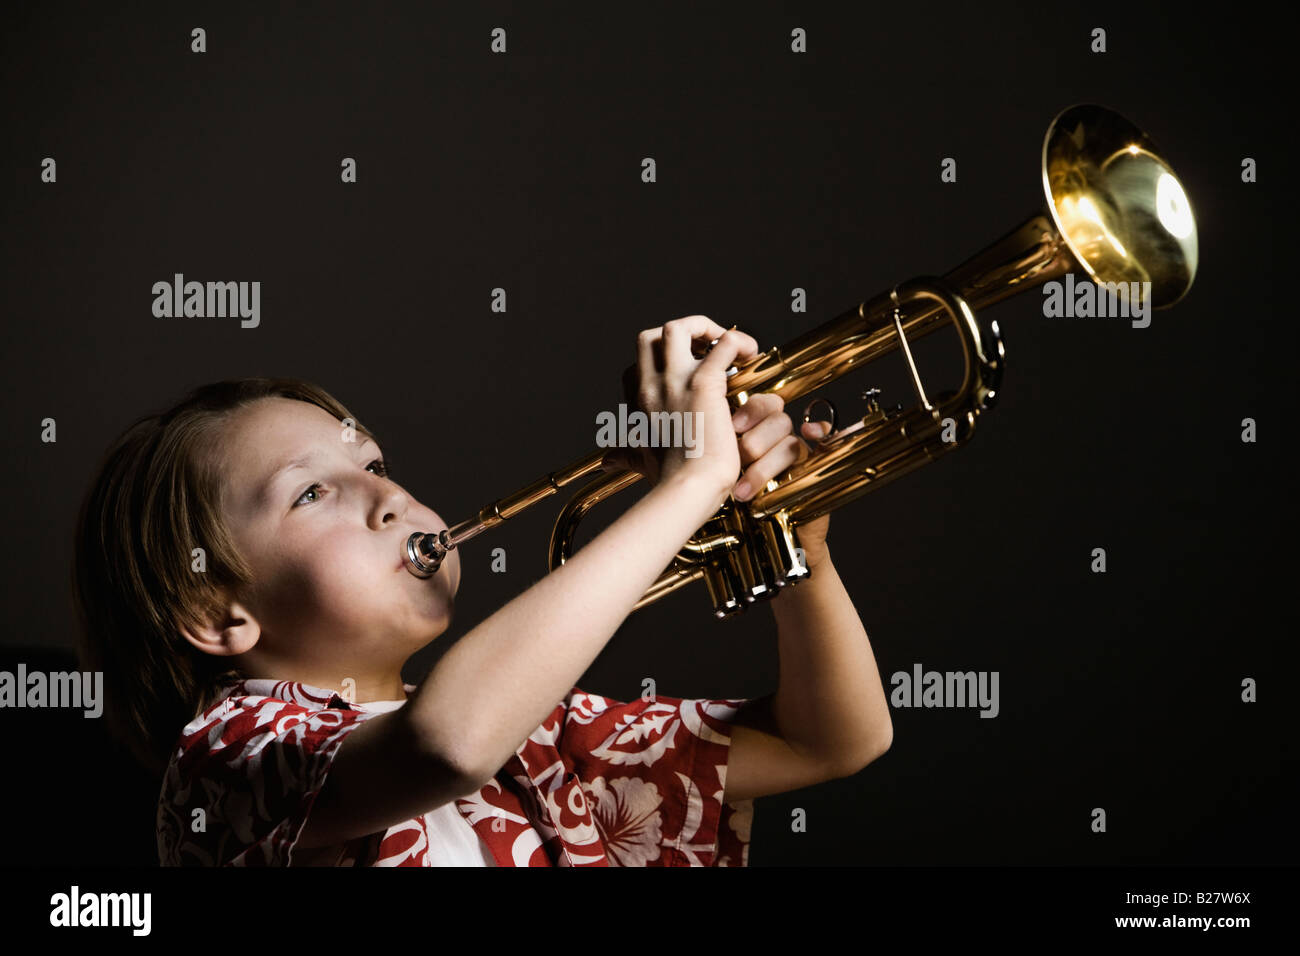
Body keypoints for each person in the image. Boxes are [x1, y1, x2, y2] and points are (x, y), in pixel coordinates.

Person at [71, 315, 893, 866]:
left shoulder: (540, 733)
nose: (386, 497)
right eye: (309, 493)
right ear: (216, 611)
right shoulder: (224, 755)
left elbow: (827, 742)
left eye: (374, 466)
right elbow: (449, 746)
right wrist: (692, 485)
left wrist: (791, 539)